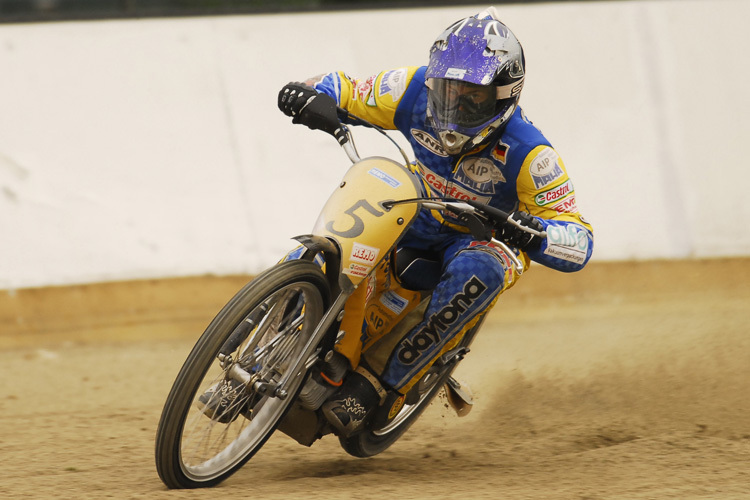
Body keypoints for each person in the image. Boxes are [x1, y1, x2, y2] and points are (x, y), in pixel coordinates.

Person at [277, 7, 594, 436]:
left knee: (479, 268)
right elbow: (346, 89)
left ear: (505, 95)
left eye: (472, 97)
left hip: (479, 237)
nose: (453, 105)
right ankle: (275, 326)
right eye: (446, 90)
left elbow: (578, 240)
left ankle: (378, 385)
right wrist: (310, 94)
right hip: (414, 210)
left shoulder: (531, 154)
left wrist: (528, 232)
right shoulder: (411, 87)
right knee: (346, 223)